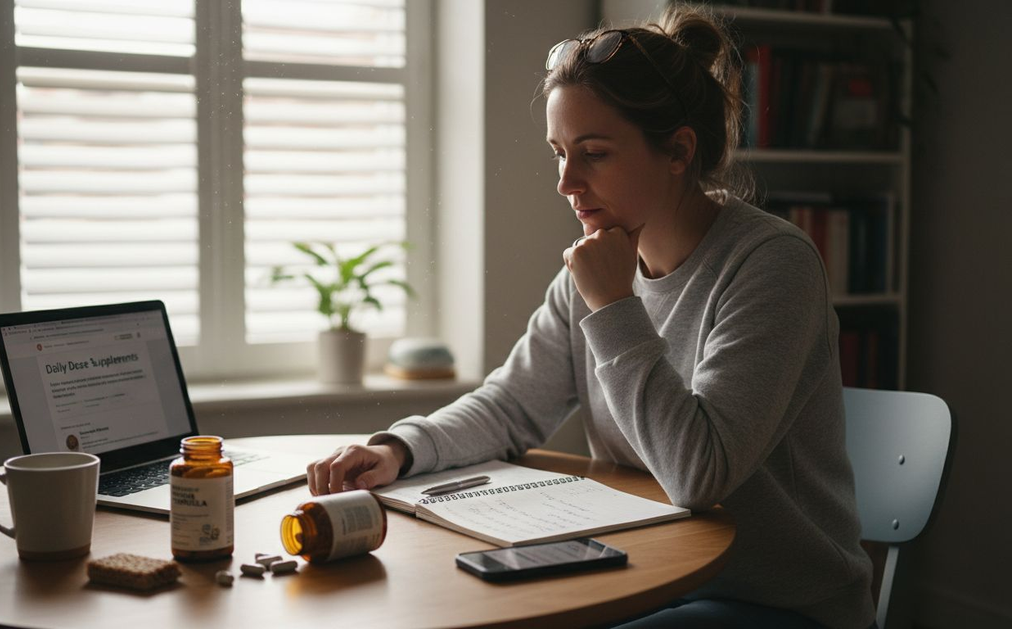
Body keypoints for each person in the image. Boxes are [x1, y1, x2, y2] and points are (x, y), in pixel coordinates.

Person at [306, 5, 874, 628]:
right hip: (647, 573)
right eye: (559, 152)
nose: (566, 182)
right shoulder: (597, 267)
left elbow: (698, 473)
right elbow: (511, 406)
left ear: (679, 150)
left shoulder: (770, 265)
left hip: (777, 603)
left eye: (594, 153)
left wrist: (613, 306)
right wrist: (400, 449)